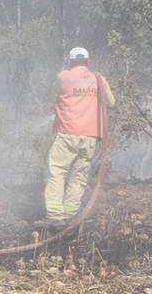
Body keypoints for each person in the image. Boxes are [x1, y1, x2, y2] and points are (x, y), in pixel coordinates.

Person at [41, 47, 115, 229]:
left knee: (57, 171)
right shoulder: (99, 80)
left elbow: (55, 94)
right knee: (79, 175)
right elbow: (111, 103)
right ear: (88, 62)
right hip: (90, 135)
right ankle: (71, 213)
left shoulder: (63, 77)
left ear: (70, 61)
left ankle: (55, 215)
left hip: (67, 132)